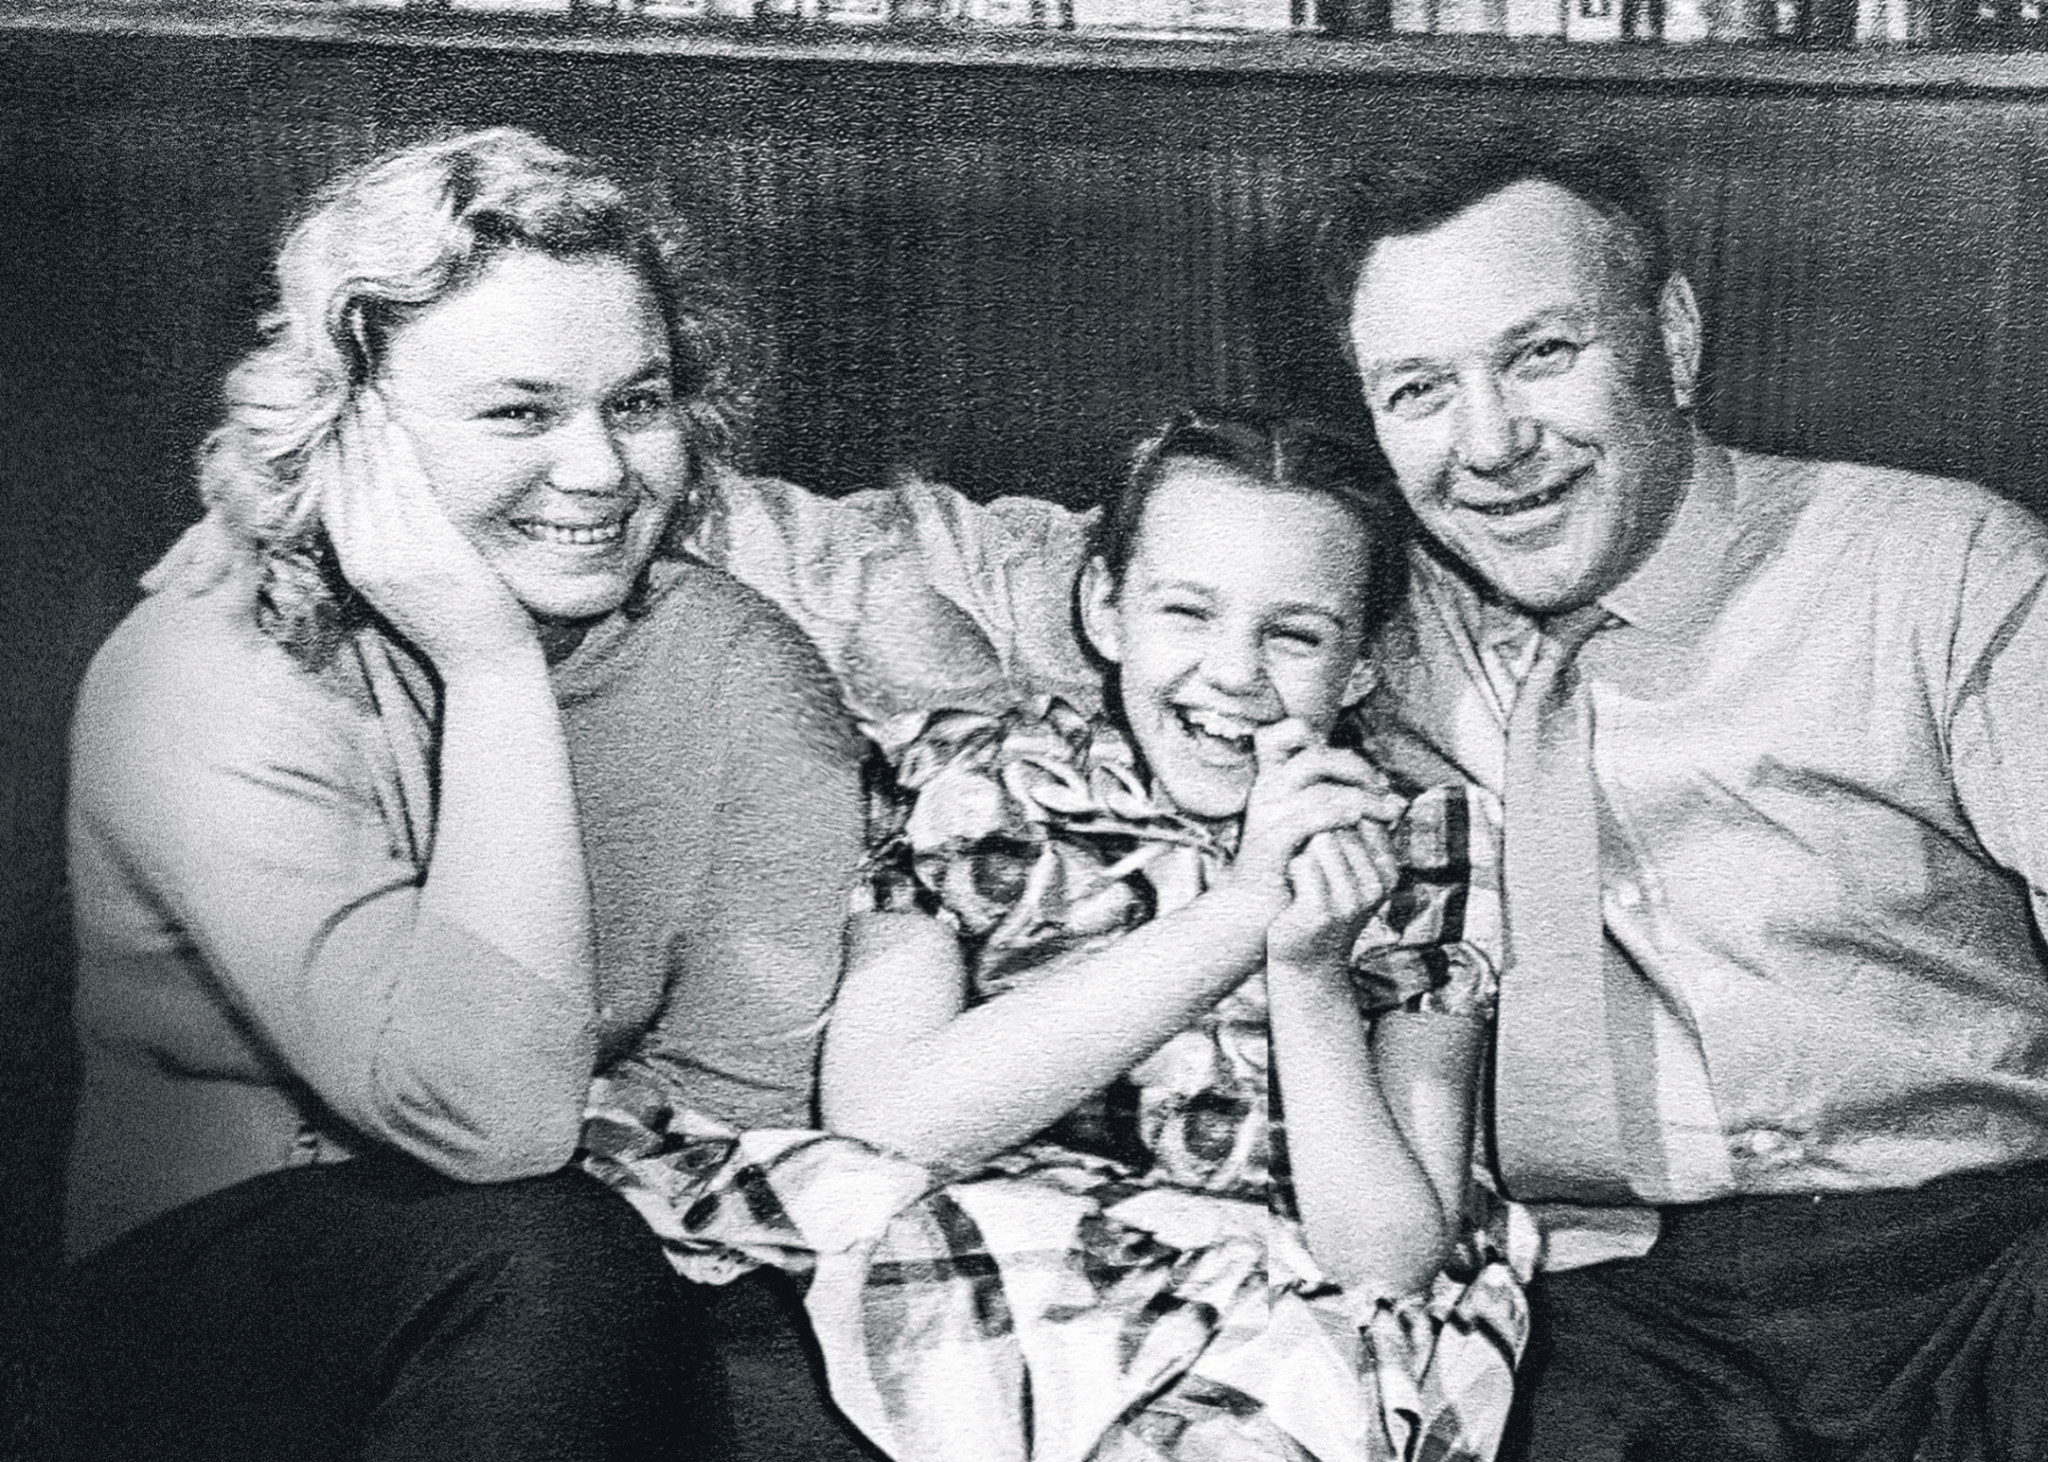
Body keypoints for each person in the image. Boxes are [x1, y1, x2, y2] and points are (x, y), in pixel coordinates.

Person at [48, 127, 866, 1462]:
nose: (599, 471)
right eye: (520, 412)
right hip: (206, 1307)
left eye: (638, 402)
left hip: (607, 1245)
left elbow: (740, 1104)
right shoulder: (209, 673)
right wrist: (487, 665)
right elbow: (489, 1122)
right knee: (550, 1261)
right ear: (351, 427)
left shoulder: (738, 664)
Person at [586, 409, 1530, 1462]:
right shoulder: (979, 782)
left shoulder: (1418, 842)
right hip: (985, 1252)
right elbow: (883, 1116)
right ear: (1104, 609)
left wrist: (1307, 973)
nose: (1233, 672)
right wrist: (1235, 914)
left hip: (1278, 1306)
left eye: (1295, 633)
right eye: (1186, 612)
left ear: (1357, 667)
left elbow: (1387, 1261)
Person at [1318, 132, 2048, 1460]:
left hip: (1980, 1259)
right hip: (1607, 1308)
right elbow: (1017, 575)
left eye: (1541, 353)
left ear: (1671, 337)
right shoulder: (1363, 622)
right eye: (1419, 389)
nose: (1490, 444)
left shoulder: (1942, 573)